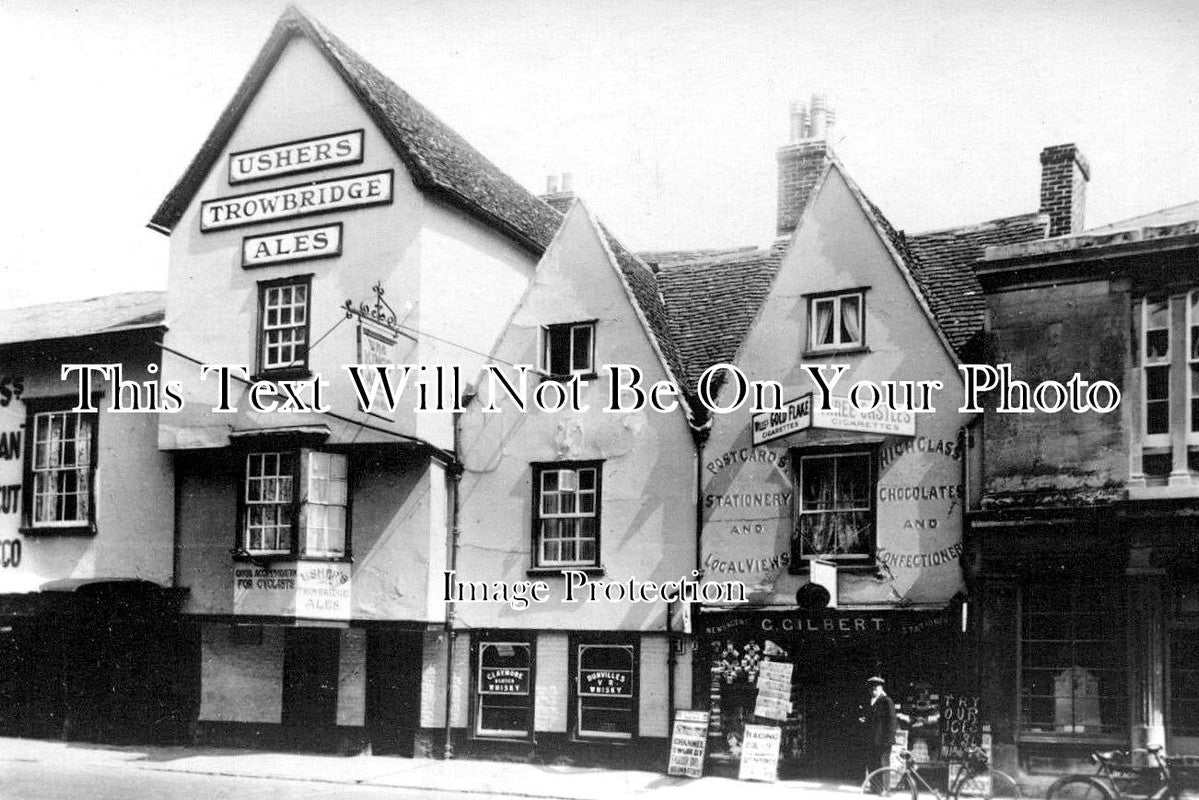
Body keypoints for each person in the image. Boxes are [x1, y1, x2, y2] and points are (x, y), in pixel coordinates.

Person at [864, 676, 897, 775]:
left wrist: (888, 740)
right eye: (871, 688)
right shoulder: (871, 702)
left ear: (881, 688)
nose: (873, 690)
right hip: (872, 740)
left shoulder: (886, 701)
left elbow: (892, 721)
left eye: (876, 687)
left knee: (882, 766)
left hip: (883, 741)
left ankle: (883, 789)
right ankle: (875, 788)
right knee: (872, 764)